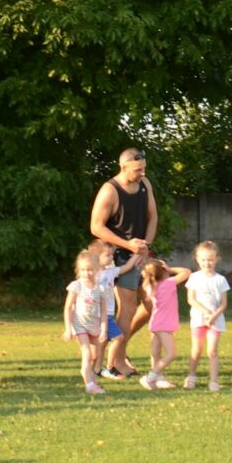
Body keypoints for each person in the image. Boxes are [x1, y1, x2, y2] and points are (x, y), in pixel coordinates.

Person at [90, 147, 158, 378]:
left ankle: (119, 349)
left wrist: (146, 247)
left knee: (151, 304)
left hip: (142, 254)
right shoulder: (110, 191)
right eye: (138, 170)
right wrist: (128, 245)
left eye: (144, 169)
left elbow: (153, 217)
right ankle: (116, 362)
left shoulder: (145, 184)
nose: (142, 173)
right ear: (123, 167)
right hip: (119, 257)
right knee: (127, 308)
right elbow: (96, 227)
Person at [87, 240, 142, 380]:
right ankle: (104, 368)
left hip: (108, 315)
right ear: (96, 256)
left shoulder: (110, 272)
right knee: (111, 340)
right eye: (108, 255)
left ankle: (101, 369)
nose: (111, 257)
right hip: (96, 315)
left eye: (112, 255)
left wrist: (137, 253)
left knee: (109, 340)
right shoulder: (91, 275)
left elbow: (127, 267)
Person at [138, 258, 192, 390]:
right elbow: (187, 272)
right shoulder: (168, 283)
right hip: (164, 325)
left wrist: (148, 273)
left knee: (155, 352)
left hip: (155, 323)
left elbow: (148, 279)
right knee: (171, 354)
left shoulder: (150, 286)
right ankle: (151, 377)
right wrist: (170, 269)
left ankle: (157, 379)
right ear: (163, 272)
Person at [184, 241, 230, 392]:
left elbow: (223, 304)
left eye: (210, 259)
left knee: (212, 351)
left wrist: (213, 316)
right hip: (198, 320)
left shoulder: (221, 280)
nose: (207, 263)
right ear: (197, 259)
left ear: (217, 259)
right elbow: (191, 299)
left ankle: (214, 381)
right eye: (203, 260)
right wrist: (206, 312)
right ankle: (191, 376)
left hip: (215, 321)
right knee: (196, 350)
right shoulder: (194, 277)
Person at [63, 250, 111, 395]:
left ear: (97, 269)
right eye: (83, 270)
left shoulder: (100, 289)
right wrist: (68, 329)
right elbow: (68, 307)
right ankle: (89, 385)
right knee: (87, 354)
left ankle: (88, 374)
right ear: (78, 270)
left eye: (90, 270)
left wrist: (103, 330)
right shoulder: (76, 286)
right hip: (80, 325)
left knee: (96, 355)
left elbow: (104, 312)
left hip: (94, 325)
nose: (87, 273)